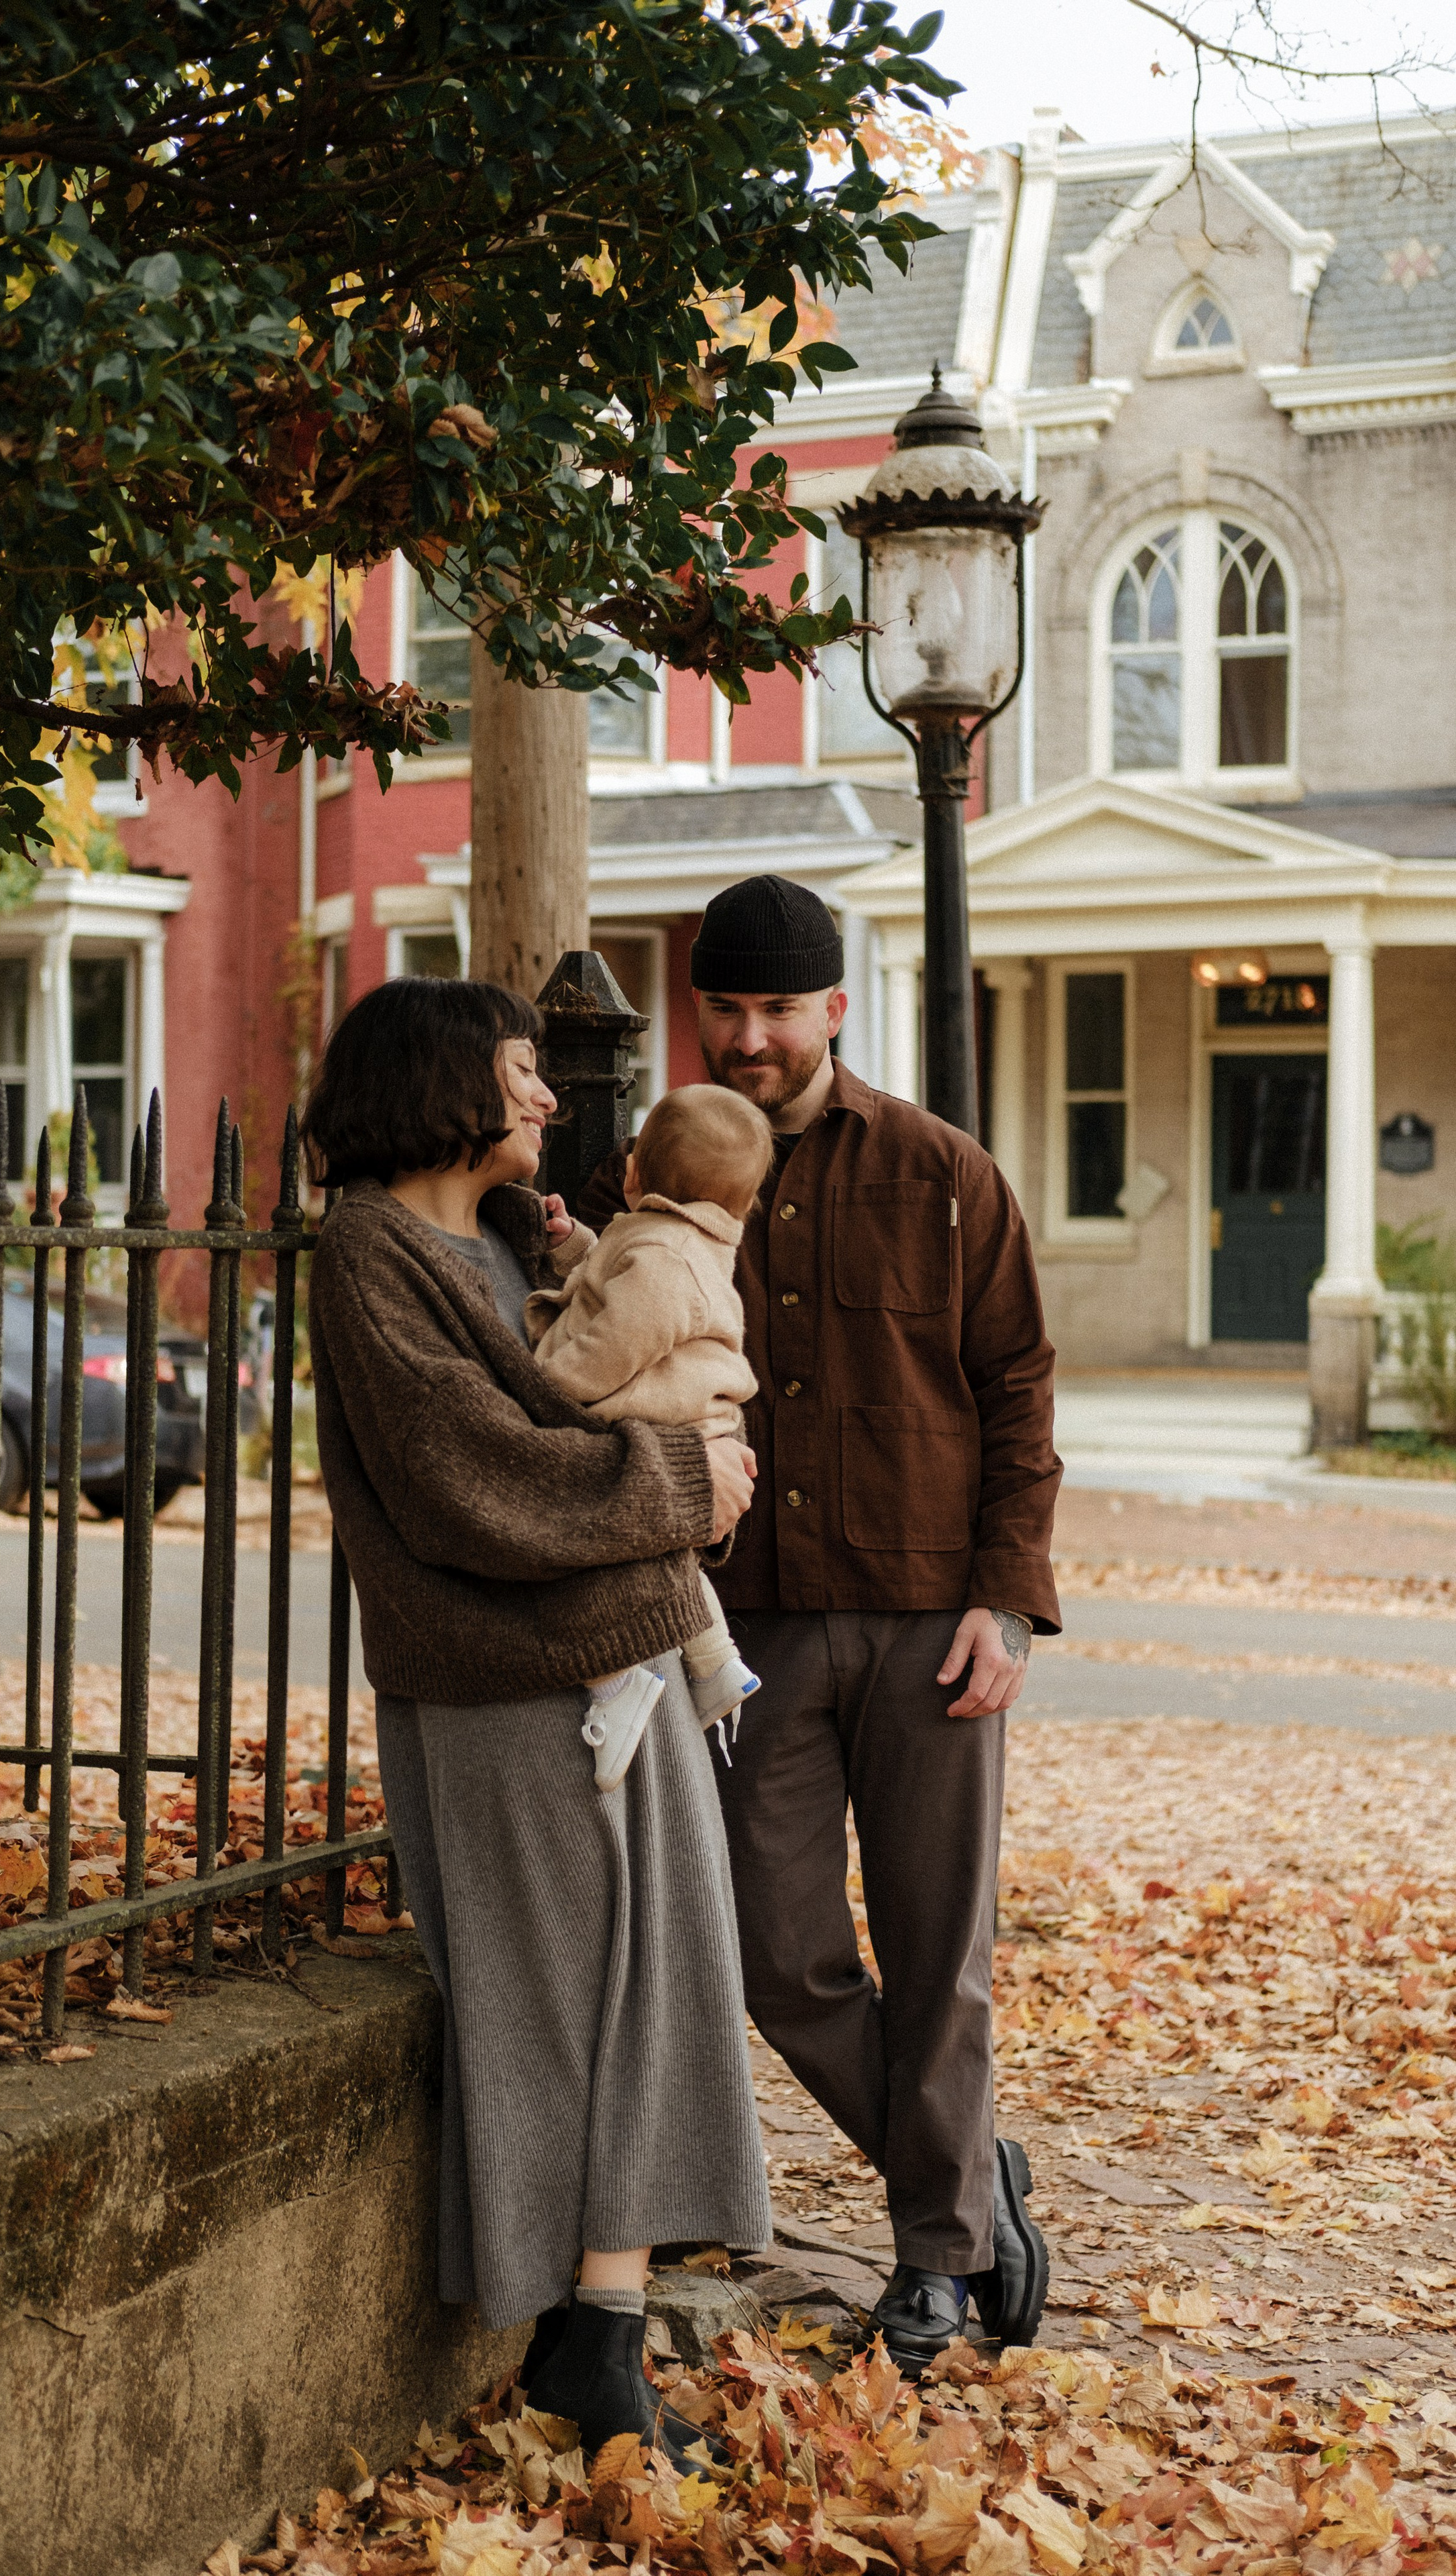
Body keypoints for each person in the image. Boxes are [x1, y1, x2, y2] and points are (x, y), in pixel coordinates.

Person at [578, 873, 1063, 2377]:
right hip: (749, 1628)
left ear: (833, 1011)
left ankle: (931, 2256)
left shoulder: (941, 1175)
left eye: (775, 1009)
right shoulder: (652, 1178)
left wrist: (1005, 1599)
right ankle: (971, 2177)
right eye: (722, 1007)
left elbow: (1017, 1393)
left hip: (929, 1620)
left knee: (937, 1951)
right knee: (775, 1953)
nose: (745, 1037)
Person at [305, 975, 770, 2465]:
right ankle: (581, 2338)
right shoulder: (371, 1254)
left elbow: (581, 1405)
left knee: (665, 1979)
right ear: (443, 1081)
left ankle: (605, 2332)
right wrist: (686, 1486)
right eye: (522, 1073)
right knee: (554, 2015)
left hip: (612, 1645)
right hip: (501, 1687)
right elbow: (470, 1479)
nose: (548, 1100)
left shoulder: (507, 1245)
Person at [526, 1083, 774, 1788]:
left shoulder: (663, 1255)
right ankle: (717, 1663)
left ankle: (616, 1684)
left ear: (635, 1174)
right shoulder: (675, 1239)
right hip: (698, 1416)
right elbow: (613, 1271)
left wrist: (552, 1381)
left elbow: (624, 1329)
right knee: (667, 1565)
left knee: (602, 1559)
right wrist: (574, 1245)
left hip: (672, 1417)